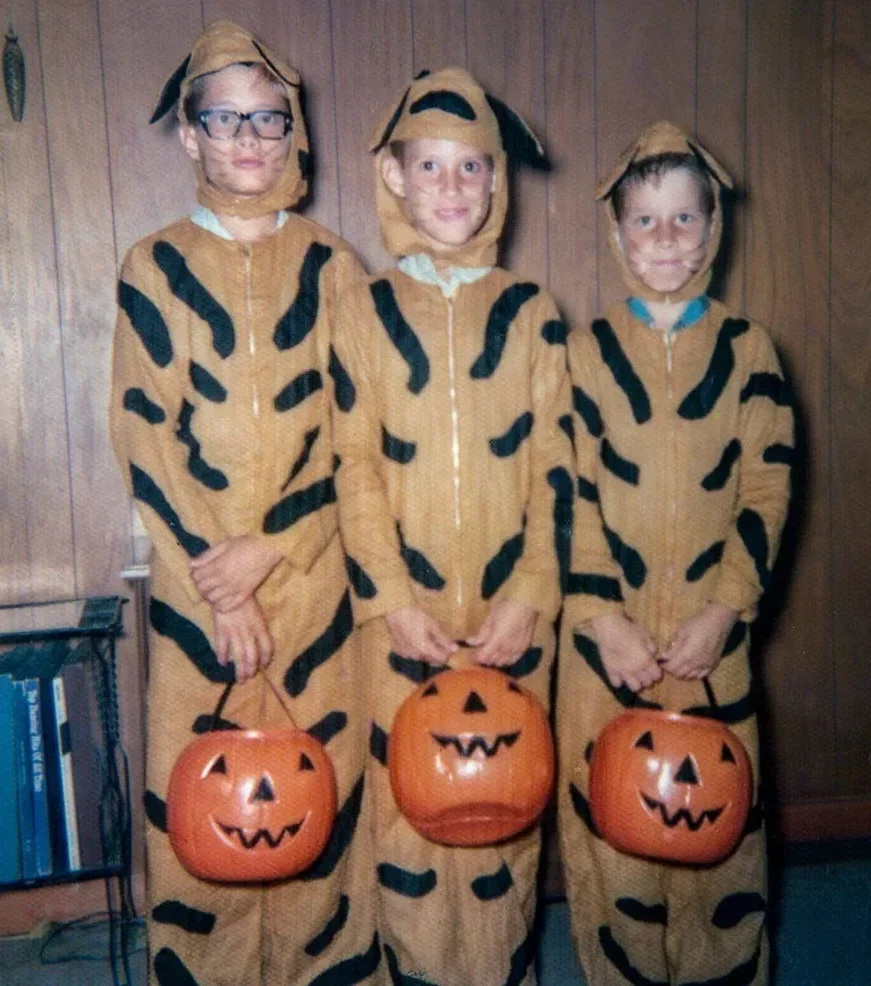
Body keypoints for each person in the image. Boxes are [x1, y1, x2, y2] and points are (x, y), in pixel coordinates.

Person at [110, 21, 378, 986]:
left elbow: (360, 436)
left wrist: (275, 549)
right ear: (190, 136)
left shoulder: (337, 265)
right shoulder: (153, 267)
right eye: (225, 119)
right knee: (201, 801)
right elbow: (145, 435)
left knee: (322, 791)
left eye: (269, 118)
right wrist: (221, 587)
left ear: (292, 128)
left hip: (311, 578)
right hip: (199, 592)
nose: (250, 139)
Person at [331, 68, 574, 986]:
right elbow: (352, 465)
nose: (449, 189)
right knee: (409, 816)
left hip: (511, 614)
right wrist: (389, 599)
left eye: (470, 168)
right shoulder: (362, 310)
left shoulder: (531, 313)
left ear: (496, 180)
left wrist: (534, 592)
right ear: (392, 176)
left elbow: (560, 467)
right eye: (428, 166)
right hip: (406, 620)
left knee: (504, 808)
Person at [557, 121, 794, 985]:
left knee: (716, 832)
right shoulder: (581, 354)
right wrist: (599, 617)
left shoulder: (748, 351)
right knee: (610, 840)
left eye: (684, 219)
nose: (665, 240)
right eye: (645, 221)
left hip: (708, 640)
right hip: (603, 651)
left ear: (712, 229)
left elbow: (766, 493)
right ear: (617, 233)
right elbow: (565, 495)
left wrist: (724, 610)